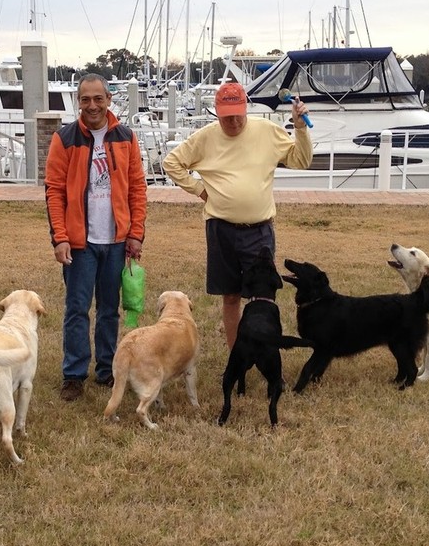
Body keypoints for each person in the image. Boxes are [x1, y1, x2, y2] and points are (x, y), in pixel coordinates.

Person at [162, 80, 313, 350]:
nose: (232, 122)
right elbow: (171, 163)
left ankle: (265, 350)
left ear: (246, 109)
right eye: (226, 117)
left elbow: (301, 160)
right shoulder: (206, 136)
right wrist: (199, 190)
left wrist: (300, 128)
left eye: (237, 115)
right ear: (217, 113)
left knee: (263, 297)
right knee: (230, 295)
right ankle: (236, 354)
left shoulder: (267, 131)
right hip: (221, 229)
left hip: (259, 228)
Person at [45, 73, 148, 402]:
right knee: (77, 309)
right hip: (80, 242)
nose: (92, 105)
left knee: (108, 309)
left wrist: (136, 234)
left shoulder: (126, 137)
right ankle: (74, 374)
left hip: (116, 240)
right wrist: (60, 237)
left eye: (98, 98)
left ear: (108, 99)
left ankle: (106, 368)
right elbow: (54, 192)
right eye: (85, 99)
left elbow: (137, 189)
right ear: (79, 101)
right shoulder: (65, 139)